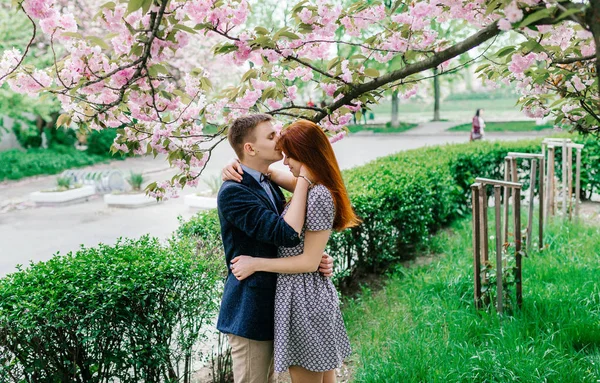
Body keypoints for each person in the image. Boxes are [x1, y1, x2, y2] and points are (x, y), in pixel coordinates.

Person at [225, 120, 360, 383]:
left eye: (290, 155)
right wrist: (237, 165)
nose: (284, 157)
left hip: (302, 298)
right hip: (278, 301)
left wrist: (256, 263)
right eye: (272, 136)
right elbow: (297, 235)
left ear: (305, 157)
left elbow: (291, 237)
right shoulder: (257, 186)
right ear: (251, 148)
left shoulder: (313, 190)